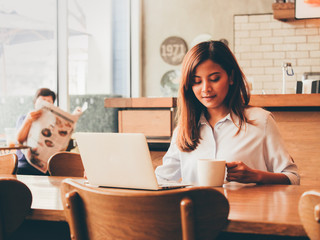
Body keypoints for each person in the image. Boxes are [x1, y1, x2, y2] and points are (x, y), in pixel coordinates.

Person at [155, 40, 299, 185]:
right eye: (197, 81)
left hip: (247, 207)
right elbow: (162, 180)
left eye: (214, 79)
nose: (206, 88)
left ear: (231, 77)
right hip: (197, 207)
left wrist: (256, 176)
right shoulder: (184, 130)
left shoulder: (261, 120)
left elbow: (293, 177)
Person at [15, 88, 56, 175]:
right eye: (43, 100)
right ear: (35, 102)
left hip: (46, 166)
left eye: (49, 102)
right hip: (24, 165)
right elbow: (19, 140)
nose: (46, 104)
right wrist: (28, 120)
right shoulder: (24, 118)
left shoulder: (55, 122)